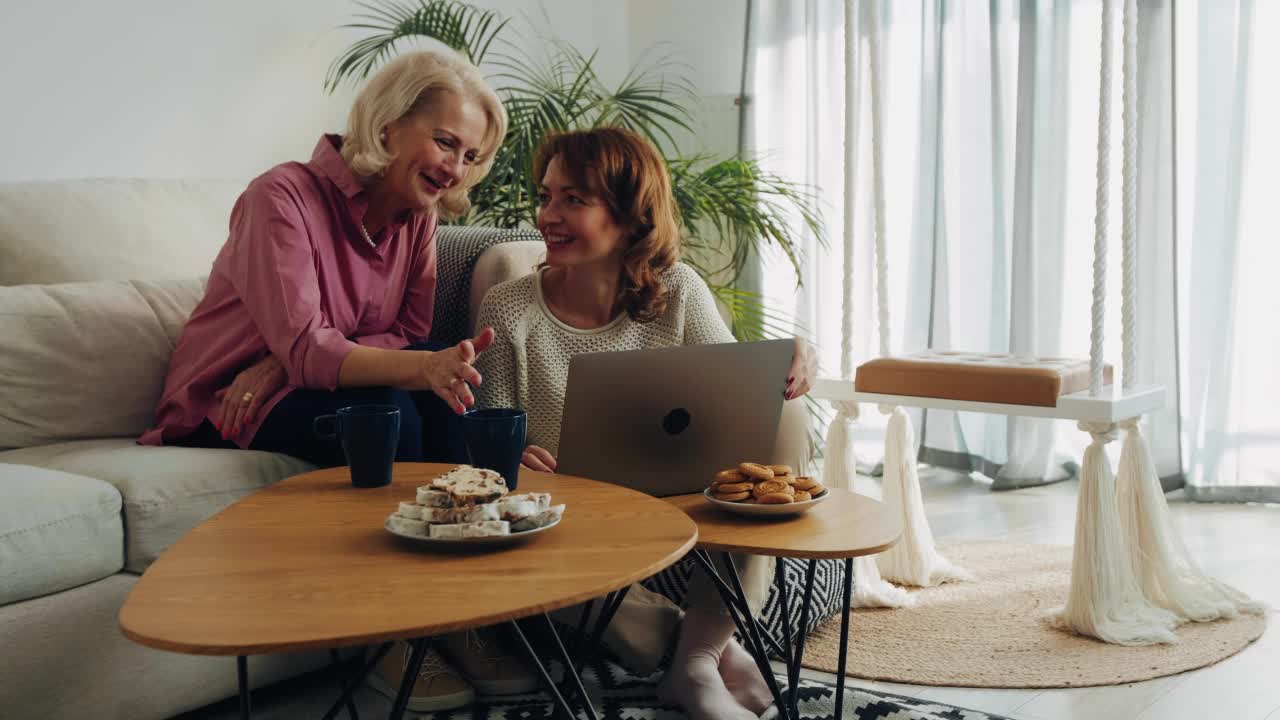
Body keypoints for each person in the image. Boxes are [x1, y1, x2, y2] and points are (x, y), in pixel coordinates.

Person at [138, 50, 537, 713]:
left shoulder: (418, 219)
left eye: (470, 155)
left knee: (443, 402)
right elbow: (313, 342)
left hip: (288, 382)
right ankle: (391, 633)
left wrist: (290, 357)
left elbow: (404, 333)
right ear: (388, 124)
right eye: (445, 141)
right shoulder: (281, 196)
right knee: (392, 411)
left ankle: (462, 614)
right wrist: (302, 352)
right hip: (222, 404)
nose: (455, 167)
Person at [472, 126, 816, 720]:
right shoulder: (509, 308)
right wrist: (515, 452)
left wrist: (792, 356)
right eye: (547, 195)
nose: (547, 215)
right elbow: (489, 437)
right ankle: (701, 653)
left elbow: (739, 397)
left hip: (677, 501)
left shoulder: (679, 290)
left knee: (785, 415)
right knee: (505, 550)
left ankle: (696, 662)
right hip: (570, 526)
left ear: (632, 217)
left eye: (573, 199)